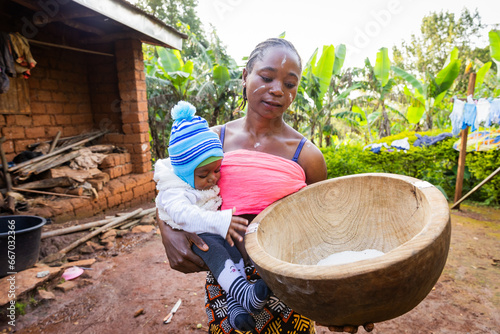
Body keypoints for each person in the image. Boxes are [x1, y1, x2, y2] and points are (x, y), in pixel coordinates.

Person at [158, 38, 373, 333]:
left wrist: (340, 301)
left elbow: (323, 230)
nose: (277, 90)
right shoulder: (211, 141)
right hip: (227, 283)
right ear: (246, 76)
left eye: (290, 84)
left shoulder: (308, 156)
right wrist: (166, 229)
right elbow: (168, 184)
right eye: (267, 77)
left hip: (289, 288)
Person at [154, 101, 272, 331]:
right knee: (217, 253)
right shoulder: (174, 190)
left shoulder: (197, 175)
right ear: (184, 172)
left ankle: (235, 309)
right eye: (203, 174)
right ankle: (245, 296)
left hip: (214, 232)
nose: (212, 178)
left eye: (217, 170)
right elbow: (183, 215)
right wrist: (221, 221)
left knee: (229, 252)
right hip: (198, 234)